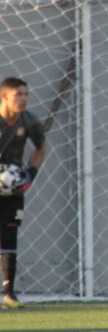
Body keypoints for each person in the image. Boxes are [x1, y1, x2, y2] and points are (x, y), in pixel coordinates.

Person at [0, 77, 46, 309]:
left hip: (13, 188)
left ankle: (9, 294)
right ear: (4, 97)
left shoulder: (30, 121)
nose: (24, 98)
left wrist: (30, 174)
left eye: (26, 94)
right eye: (18, 94)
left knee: (9, 235)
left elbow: (41, 147)